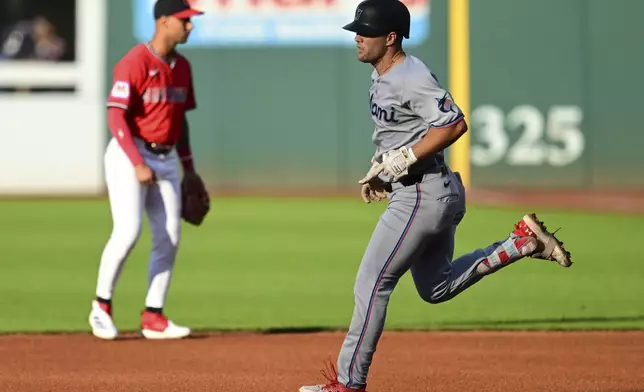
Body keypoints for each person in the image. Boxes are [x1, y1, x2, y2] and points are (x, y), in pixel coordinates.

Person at [299, 0, 572, 390]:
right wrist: (383, 169)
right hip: (427, 190)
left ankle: (348, 383)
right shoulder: (383, 74)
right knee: (436, 288)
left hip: (421, 194)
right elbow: (401, 134)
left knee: (372, 283)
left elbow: (454, 123)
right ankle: (519, 244)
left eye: (366, 31)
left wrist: (406, 158)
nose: (357, 37)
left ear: (391, 37)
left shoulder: (411, 75)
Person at [88, 0, 208, 340]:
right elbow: (116, 116)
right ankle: (101, 307)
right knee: (127, 231)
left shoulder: (182, 66)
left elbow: (179, 121)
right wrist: (137, 163)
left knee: (169, 236)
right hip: (131, 151)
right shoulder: (135, 61)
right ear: (165, 21)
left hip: (167, 157)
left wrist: (191, 170)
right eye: (185, 21)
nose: (190, 26)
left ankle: (153, 315)